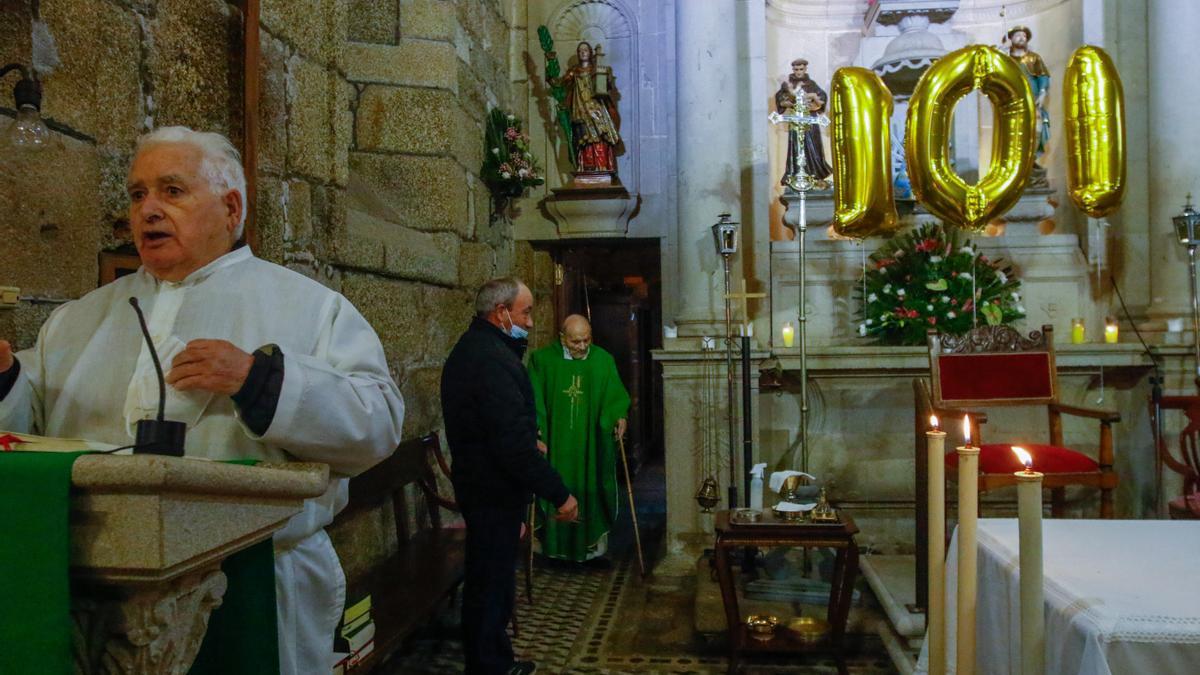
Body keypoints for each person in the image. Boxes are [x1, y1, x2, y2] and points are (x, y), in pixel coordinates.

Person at [0, 126, 405, 675]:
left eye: (172, 191)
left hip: (258, 579)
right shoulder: (76, 320)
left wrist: (260, 382)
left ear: (231, 207)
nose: (148, 210)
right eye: (138, 194)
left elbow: (378, 423)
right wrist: (5, 382)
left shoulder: (310, 307)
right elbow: (29, 432)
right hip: (92, 589)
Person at [441, 278, 579, 675]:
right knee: (489, 584)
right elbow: (509, 444)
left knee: (495, 582)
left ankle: (495, 661)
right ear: (501, 313)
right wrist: (559, 493)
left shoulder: (482, 350)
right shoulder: (489, 359)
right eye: (526, 311)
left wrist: (524, 439)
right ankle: (487, 668)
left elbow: (495, 426)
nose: (531, 322)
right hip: (491, 491)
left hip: (487, 485)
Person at [527, 314, 630, 564]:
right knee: (553, 483)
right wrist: (535, 425)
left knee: (591, 484)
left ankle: (589, 547)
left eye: (586, 340)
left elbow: (615, 396)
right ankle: (552, 546)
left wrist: (618, 415)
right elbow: (532, 398)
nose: (582, 346)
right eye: (575, 342)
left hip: (591, 444)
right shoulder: (542, 361)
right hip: (554, 443)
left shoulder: (603, 360)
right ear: (562, 338)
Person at [559, 41, 621, 174]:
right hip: (580, 109)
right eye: (580, 50)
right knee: (584, 139)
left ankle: (602, 167)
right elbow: (561, 84)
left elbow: (607, 86)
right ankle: (587, 168)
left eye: (585, 50)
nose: (583, 52)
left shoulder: (597, 69)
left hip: (596, 108)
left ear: (590, 53)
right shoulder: (573, 72)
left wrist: (607, 77)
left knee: (600, 136)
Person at [775, 58, 832, 186]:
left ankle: (815, 174)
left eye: (801, 69)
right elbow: (780, 98)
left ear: (805, 69)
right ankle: (795, 174)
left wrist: (814, 100)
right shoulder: (787, 84)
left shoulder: (811, 84)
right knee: (796, 146)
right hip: (796, 119)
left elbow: (821, 97)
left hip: (810, 120)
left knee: (814, 146)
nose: (798, 72)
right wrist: (786, 102)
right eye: (796, 69)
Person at [1006, 26, 1050, 178]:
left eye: (1024, 36)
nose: (1021, 38)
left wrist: (1043, 92)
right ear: (1011, 38)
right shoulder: (1007, 59)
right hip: (1013, 102)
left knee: (1036, 129)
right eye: (1017, 35)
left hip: (1033, 99)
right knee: (1014, 131)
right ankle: (1016, 162)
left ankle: (1031, 161)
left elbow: (1043, 76)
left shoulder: (1034, 58)